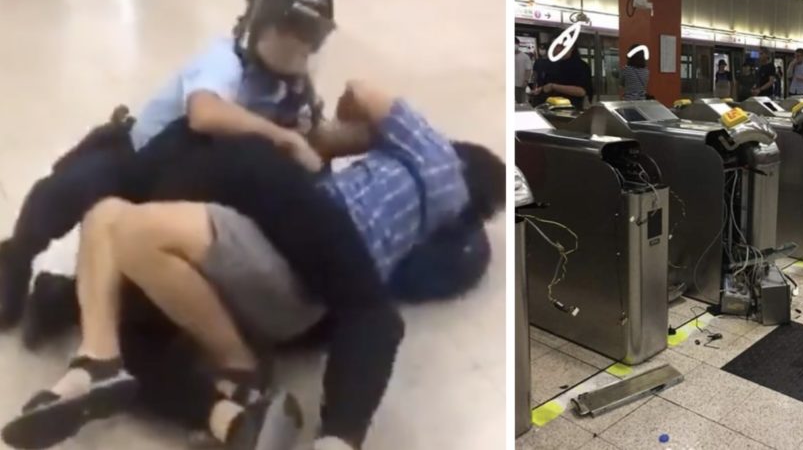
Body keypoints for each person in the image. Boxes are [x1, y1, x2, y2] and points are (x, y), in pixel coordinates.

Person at [2, 82, 507, 450]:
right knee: (106, 218)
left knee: (130, 230)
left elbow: (362, 91)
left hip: (291, 263)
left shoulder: (437, 156)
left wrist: (352, 132)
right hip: (289, 280)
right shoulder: (451, 244)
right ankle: (103, 359)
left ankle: (236, 369)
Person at [0, 0, 335, 331]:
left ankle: (64, 298)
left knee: (166, 287)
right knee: (64, 192)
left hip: (190, 187)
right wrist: (278, 135)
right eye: (297, 33)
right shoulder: (224, 59)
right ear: (265, 23)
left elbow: (311, 137)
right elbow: (204, 113)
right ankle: (15, 261)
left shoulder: (292, 88)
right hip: (136, 156)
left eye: (314, 37)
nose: (305, 47)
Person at [530, 43, 591, 110]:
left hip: (570, 110)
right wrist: (541, 89)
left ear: (571, 47)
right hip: (547, 107)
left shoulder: (581, 66)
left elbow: (581, 91)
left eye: (560, 46)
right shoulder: (551, 64)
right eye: (555, 46)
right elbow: (548, 84)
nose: (557, 49)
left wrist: (553, 86)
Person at [514, 38, 533, 104]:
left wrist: (525, 81)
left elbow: (528, 70)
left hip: (520, 84)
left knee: (520, 102)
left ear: (518, 44)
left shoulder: (525, 57)